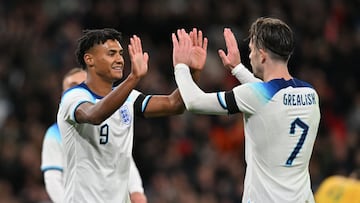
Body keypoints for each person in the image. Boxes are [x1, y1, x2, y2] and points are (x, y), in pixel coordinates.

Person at [172, 17, 321, 202]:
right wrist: (237, 69)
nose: (249, 56)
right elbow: (271, 99)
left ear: (262, 54)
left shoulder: (257, 96)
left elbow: (194, 101)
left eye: (251, 51)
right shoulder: (310, 94)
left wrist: (180, 66)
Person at [57, 28, 206, 202]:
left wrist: (193, 72)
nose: (120, 59)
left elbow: (175, 105)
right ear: (89, 59)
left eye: (120, 54)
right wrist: (133, 78)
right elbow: (95, 115)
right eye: (111, 53)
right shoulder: (73, 97)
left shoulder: (128, 97)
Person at [41, 68, 147, 203]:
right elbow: (53, 178)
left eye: (84, 84)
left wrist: (136, 191)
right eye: (73, 86)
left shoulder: (109, 123)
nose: (79, 91)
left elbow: (123, 158)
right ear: (63, 95)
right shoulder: (54, 134)